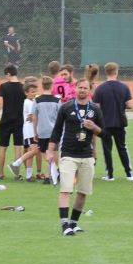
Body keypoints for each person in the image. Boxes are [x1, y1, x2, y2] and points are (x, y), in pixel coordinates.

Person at [48, 78, 102, 235]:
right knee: (65, 189)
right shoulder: (66, 107)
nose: (82, 90)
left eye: (85, 88)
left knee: (83, 192)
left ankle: (74, 223)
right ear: (75, 89)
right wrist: (50, 151)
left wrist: (94, 127)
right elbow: (57, 130)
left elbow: (104, 133)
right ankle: (65, 225)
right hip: (68, 154)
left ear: (89, 91)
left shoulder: (95, 109)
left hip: (87, 155)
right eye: (80, 87)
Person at [92, 62, 133, 182]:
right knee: (122, 147)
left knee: (107, 149)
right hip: (120, 122)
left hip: (105, 123)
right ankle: (129, 174)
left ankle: (110, 175)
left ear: (106, 72)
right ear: (116, 72)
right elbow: (130, 105)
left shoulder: (100, 88)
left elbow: (96, 107)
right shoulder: (124, 87)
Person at [0, 64, 25, 177]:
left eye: (6, 75)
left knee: (3, 147)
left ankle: (1, 173)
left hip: (6, 120)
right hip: (19, 121)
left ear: (8, 74)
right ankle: (16, 173)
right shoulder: (23, 87)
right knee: (18, 147)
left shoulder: (3, 86)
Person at [8, 82, 40, 180]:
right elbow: (32, 117)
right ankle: (15, 164)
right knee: (35, 150)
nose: (34, 94)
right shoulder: (29, 103)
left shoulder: (31, 102)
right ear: (26, 93)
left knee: (31, 151)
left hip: (29, 129)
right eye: (32, 92)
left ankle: (29, 175)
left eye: (35, 92)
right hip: (30, 130)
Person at [33, 76, 60, 185]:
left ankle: (49, 176)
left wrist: (35, 131)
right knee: (52, 153)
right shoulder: (57, 100)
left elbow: (34, 117)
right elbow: (60, 117)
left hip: (43, 131)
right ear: (52, 86)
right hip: (54, 131)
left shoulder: (37, 100)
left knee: (45, 153)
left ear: (42, 86)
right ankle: (53, 174)